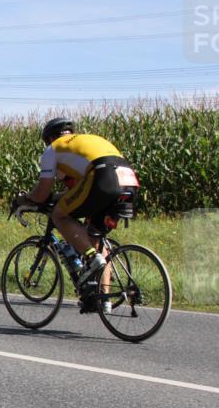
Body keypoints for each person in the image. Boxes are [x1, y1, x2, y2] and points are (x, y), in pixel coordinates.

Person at [17, 117, 139, 296]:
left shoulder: (53, 149)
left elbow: (42, 192)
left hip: (102, 177)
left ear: (50, 138)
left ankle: (91, 257)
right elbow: (77, 189)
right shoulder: (86, 141)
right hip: (128, 180)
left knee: (59, 216)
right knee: (94, 235)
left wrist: (25, 198)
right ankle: (103, 299)